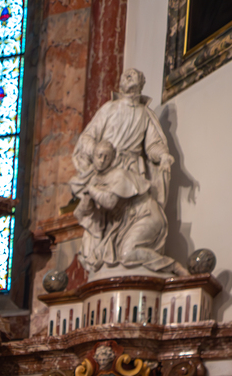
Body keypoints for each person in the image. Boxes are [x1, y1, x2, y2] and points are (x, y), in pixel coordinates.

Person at [70, 68, 181, 275]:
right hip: (107, 168)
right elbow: (87, 137)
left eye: (133, 74)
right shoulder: (109, 109)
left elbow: (153, 145)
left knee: (129, 214)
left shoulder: (145, 114)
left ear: (141, 83)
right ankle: (105, 261)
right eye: (125, 75)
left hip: (131, 171)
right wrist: (99, 152)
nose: (128, 76)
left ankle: (127, 253)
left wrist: (163, 156)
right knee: (103, 222)